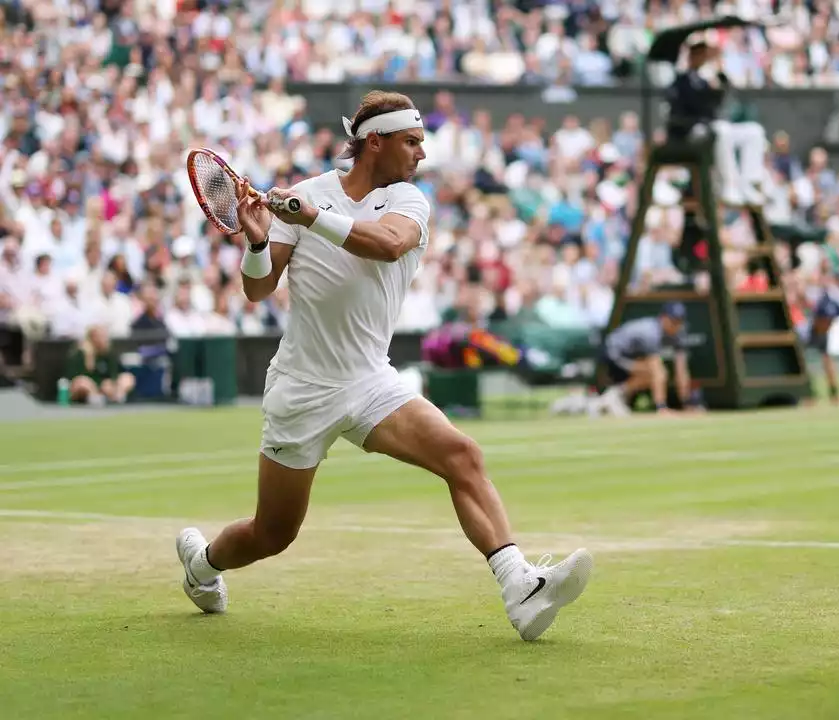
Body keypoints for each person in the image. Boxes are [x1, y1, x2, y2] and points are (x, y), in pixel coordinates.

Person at [174, 91, 592, 642]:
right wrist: (256, 240)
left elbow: (389, 245)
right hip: (302, 389)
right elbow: (258, 288)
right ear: (377, 141)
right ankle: (203, 566)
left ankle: (521, 588)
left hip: (371, 382)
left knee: (462, 455)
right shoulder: (305, 196)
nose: (422, 153)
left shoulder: (408, 201)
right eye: (412, 142)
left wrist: (313, 218)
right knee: (273, 533)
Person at [665, 41, 768, 206]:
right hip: (690, 131)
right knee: (722, 131)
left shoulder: (709, 79)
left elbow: (718, 104)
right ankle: (729, 185)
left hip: (714, 129)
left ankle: (748, 184)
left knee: (754, 132)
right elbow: (683, 109)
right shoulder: (680, 81)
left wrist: (719, 81)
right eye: (699, 54)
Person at [596, 302, 693, 415]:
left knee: (654, 373)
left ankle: (611, 397)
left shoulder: (679, 333)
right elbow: (657, 372)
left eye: (680, 321)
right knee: (658, 372)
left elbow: (681, 370)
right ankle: (614, 396)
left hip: (631, 355)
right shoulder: (651, 333)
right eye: (673, 321)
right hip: (612, 354)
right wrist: (662, 407)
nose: (676, 325)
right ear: (663, 318)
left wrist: (687, 403)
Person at [806, 270, 839, 404]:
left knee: (827, 361)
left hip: (821, 331)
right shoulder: (819, 295)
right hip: (808, 330)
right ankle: (810, 394)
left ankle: (833, 392)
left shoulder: (831, 296)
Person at [63, 324, 135, 405]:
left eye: (104, 336)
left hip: (105, 387)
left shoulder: (109, 353)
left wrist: (110, 383)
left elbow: (114, 373)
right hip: (87, 387)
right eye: (100, 336)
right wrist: (89, 358)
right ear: (91, 338)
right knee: (82, 382)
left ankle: (117, 398)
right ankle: (95, 398)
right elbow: (75, 377)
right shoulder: (81, 353)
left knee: (127, 377)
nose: (103, 339)